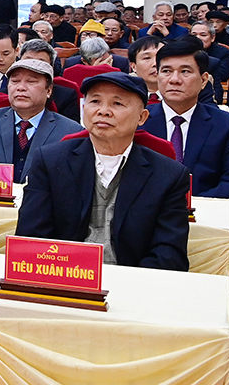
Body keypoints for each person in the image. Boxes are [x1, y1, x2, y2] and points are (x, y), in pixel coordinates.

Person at [16, 71, 189, 270]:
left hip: (134, 283)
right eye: (95, 101)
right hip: (64, 277)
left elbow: (169, 254)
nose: (103, 111)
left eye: (117, 104)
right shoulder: (50, 161)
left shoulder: (169, 175)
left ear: (142, 117)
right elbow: (31, 237)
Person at [139, 37, 229, 200]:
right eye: (166, 71)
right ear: (157, 76)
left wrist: (187, 207)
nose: (174, 80)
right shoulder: (137, 120)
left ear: (203, 80)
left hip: (204, 214)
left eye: (185, 71)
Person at [0, 59, 81, 182]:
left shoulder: (70, 131)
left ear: (49, 90)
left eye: (31, 81)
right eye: (15, 81)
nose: (21, 88)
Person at [190, 22, 229, 104]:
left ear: (212, 37)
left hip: (212, 88)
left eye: (203, 35)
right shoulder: (182, 53)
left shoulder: (223, 52)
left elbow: (224, 75)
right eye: (194, 35)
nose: (198, 38)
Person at [128, 35, 163, 104]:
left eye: (161, 56)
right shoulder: (126, 96)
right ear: (134, 67)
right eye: (147, 58)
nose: (155, 63)